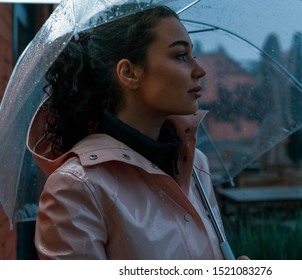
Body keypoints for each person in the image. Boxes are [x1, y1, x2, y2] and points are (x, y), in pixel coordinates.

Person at [27, 4, 241, 260]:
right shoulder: (77, 187)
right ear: (129, 73)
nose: (199, 70)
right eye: (181, 56)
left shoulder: (195, 166)